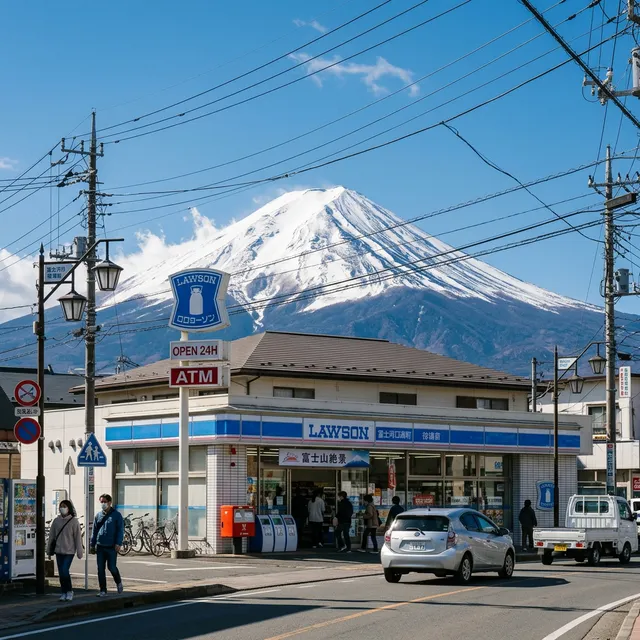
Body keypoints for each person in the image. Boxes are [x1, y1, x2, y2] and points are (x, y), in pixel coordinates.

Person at [47, 500, 83, 602]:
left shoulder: (74, 521)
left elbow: (77, 538)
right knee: (61, 573)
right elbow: (51, 536)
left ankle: (69, 591)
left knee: (64, 571)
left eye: (64, 506)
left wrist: (80, 552)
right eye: (61, 506)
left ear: (69, 508)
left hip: (69, 551)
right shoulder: (56, 521)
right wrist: (49, 549)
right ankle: (63, 592)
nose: (62, 508)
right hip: (58, 550)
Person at [90, 493, 124, 597]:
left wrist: (118, 543)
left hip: (112, 546)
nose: (103, 504)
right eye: (101, 502)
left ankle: (118, 582)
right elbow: (94, 531)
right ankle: (103, 590)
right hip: (100, 545)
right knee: (100, 569)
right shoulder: (98, 515)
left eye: (105, 502)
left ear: (110, 502)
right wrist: (92, 543)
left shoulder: (116, 515)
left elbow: (120, 530)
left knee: (112, 567)